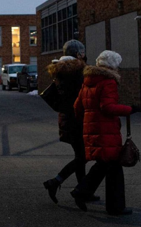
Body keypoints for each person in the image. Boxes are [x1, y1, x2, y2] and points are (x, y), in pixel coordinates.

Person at [72, 50, 141, 215]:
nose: (118, 68)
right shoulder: (108, 82)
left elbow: (77, 107)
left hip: (93, 129)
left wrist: (88, 122)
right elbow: (108, 107)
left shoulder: (88, 81)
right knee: (112, 165)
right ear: (112, 66)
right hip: (106, 131)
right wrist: (130, 109)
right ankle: (108, 204)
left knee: (106, 165)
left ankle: (91, 196)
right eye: (117, 65)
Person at [42, 40, 100, 204]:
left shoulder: (61, 71)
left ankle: (83, 190)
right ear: (78, 54)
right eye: (82, 52)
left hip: (67, 119)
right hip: (78, 119)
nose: (84, 55)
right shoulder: (77, 72)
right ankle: (56, 181)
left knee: (80, 155)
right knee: (83, 157)